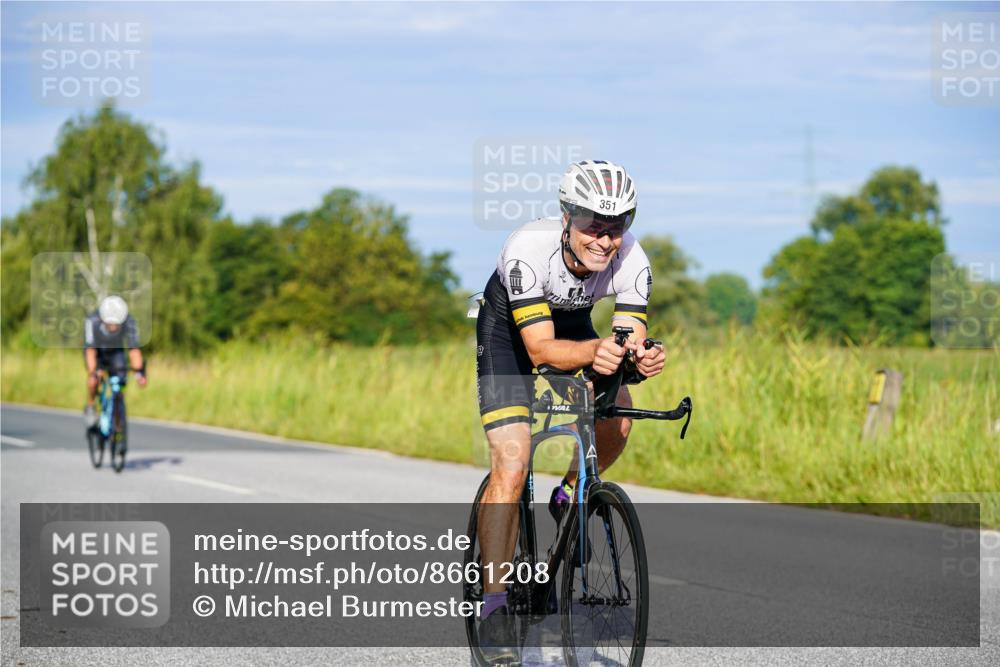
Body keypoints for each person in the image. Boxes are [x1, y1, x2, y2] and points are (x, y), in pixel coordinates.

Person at [474, 160, 665, 662]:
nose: (606, 240)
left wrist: (637, 358)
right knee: (512, 465)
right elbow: (539, 351)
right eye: (594, 227)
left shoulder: (634, 260)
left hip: (573, 324)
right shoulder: (526, 251)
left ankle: (570, 492)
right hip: (510, 337)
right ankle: (494, 605)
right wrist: (599, 352)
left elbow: (626, 337)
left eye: (617, 227)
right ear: (567, 218)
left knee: (619, 411)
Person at [83, 295, 147, 426]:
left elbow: (134, 349)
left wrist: (139, 373)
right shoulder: (92, 320)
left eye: (116, 324)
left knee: (121, 380)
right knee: (93, 381)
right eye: (109, 324)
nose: (113, 327)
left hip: (116, 352)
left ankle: (118, 407)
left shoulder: (129, 321)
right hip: (97, 352)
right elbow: (90, 350)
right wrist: (93, 372)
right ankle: (91, 406)